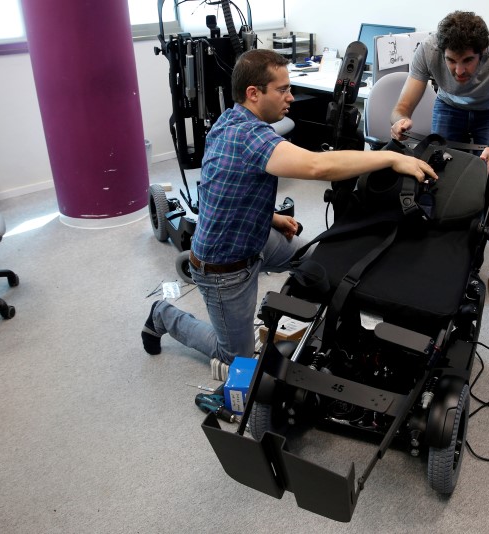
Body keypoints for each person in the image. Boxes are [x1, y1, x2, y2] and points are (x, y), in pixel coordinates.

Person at [142, 48, 437, 379]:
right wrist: (389, 157)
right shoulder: (249, 135)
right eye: (283, 90)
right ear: (254, 94)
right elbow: (316, 164)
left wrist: (269, 216)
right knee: (234, 358)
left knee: (318, 261)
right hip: (224, 268)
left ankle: (334, 330)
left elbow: (223, 189)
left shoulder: (231, 119)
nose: (291, 98)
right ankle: (163, 315)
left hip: (258, 238)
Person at [390, 11, 489, 167]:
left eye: (468, 60)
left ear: (483, 50)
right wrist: (399, 122)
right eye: (451, 60)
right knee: (441, 167)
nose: (459, 71)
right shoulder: (427, 49)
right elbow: (402, 107)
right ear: (441, 51)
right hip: (449, 106)